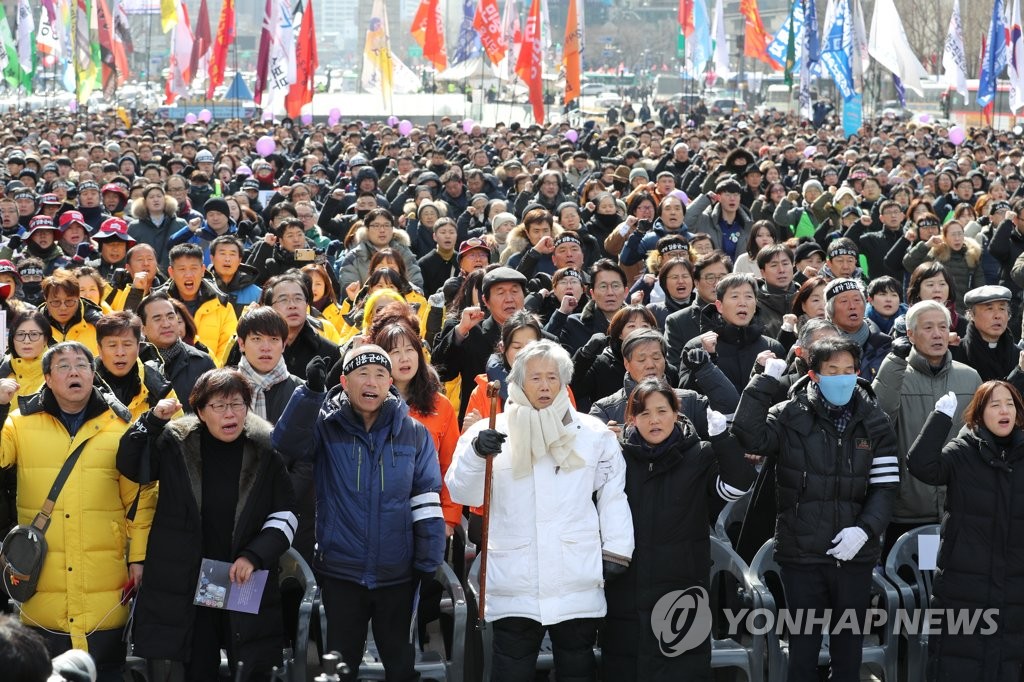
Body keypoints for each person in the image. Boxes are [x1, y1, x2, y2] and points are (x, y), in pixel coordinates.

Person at [446, 340, 634, 682]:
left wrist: (618, 549)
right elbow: (462, 491)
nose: (545, 385)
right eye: (535, 378)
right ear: (518, 381)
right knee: (511, 667)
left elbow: (613, 492)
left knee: (577, 664)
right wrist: (476, 454)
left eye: (552, 377)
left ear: (564, 382)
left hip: (575, 571)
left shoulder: (591, 433)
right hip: (514, 575)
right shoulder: (489, 430)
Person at [272, 346, 446, 681]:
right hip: (341, 572)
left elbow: (426, 499)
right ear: (344, 381)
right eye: (363, 373)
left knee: (400, 666)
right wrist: (309, 395)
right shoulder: (324, 426)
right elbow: (285, 444)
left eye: (381, 374)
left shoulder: (413, 432)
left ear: (390, 382)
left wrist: (428, 559)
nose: (372, 381)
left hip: (397, 572)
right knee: (341, 667)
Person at [732, 336, 899, 682]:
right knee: (803, 650)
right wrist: (763, 383)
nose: (842, 377)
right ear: (814, 376)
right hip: (802, 553)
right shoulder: (789, 415)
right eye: (832, 370)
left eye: (848, 370)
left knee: (848, 650)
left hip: (854, 555)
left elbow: (886, 487)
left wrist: (865, 530)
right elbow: (749, 435)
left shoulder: (875, 421)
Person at [117, 368, 296, 681]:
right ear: (200, 411)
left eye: (237, 404)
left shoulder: (265, 451)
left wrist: (254, 556)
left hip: (241, 578)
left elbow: (287, 514)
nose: (230, 414)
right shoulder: (176, 445)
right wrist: (153, 421)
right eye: (219, 406)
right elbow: (132, 464)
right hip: (190, 581)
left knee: (249, 668)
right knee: (199, 669)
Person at [0, 341, 156, 681]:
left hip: (105, 586)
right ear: (47, 379)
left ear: (93, 374)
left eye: (82, 365)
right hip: (44, 592)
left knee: (109, 671)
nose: (74, 372)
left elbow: (142, 498)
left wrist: (139, 557)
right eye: (63, 366)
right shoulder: (18, 424)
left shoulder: (120, 427)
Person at [603, 379, 754, 680]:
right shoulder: (617, 457)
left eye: (662, 410)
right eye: (644, 413)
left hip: (682, 589)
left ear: (676, 413)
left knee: (682, 669)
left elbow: (738, 485)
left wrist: (722, 439)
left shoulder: (699, 454)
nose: (654, 420)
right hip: (627, 591)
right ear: (631, 419)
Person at [907, 381, 1024, 681]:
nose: (1004, 411)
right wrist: (940, 419)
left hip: (1014, 583)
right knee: (958, 663)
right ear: (979, 413)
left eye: (1009, 404)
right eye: (995, 405)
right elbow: (922, 465)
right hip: (964, 583)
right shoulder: (962, 452)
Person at [872, 300, 982, 552]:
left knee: (954, 582)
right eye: (928, 327)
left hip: (959, 507)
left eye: (943, 327)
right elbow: (878, 417)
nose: (937, 334)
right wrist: (892, 363)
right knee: (913, 585)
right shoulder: (895, 374)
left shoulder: (969, 376)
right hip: (907, 509)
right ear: (910, 334)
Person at [589, 328, 739, 438]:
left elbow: (730, 409)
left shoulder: (690, 401)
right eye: (641, 360)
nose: (650, 365)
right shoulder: (605, 409)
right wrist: (604, 439)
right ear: (626, 364)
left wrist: (706, 369)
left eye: (656, 357)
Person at [433, 267, 527, 422]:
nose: (509, 298)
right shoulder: (471, 333)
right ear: (485, 301)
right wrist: (460, 331)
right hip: (478, 424)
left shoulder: (541, 339)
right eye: (501, 292)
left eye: (515, 291)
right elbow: (441, 371)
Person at [157, 243, 237, 364]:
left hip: (211, 377)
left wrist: (211, 373)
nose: (188, 274)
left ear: (203, 270)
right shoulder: (156, 305)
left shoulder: (223, 307)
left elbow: (228, 350)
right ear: (171, 272)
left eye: (194, 268)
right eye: (182, 269)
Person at [93, 311, 181, 421]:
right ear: (100, 350)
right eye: (112, 345)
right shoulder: (87, 388)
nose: (120, 352)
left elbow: (179, 431)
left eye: (127, 344)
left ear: (138, 347)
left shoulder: (158, 386)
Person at [137, 292, 217, 412]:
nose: (166, 324)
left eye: (170, 317)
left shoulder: (202, 362)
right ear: (143, 329)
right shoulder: (135, 365)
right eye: (157, 319)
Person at [0, 310, 54, 400]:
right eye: (20, 334)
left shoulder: (59, 372)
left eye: (33, 334)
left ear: (45, 339)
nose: (26, 341)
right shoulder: (3, 369)